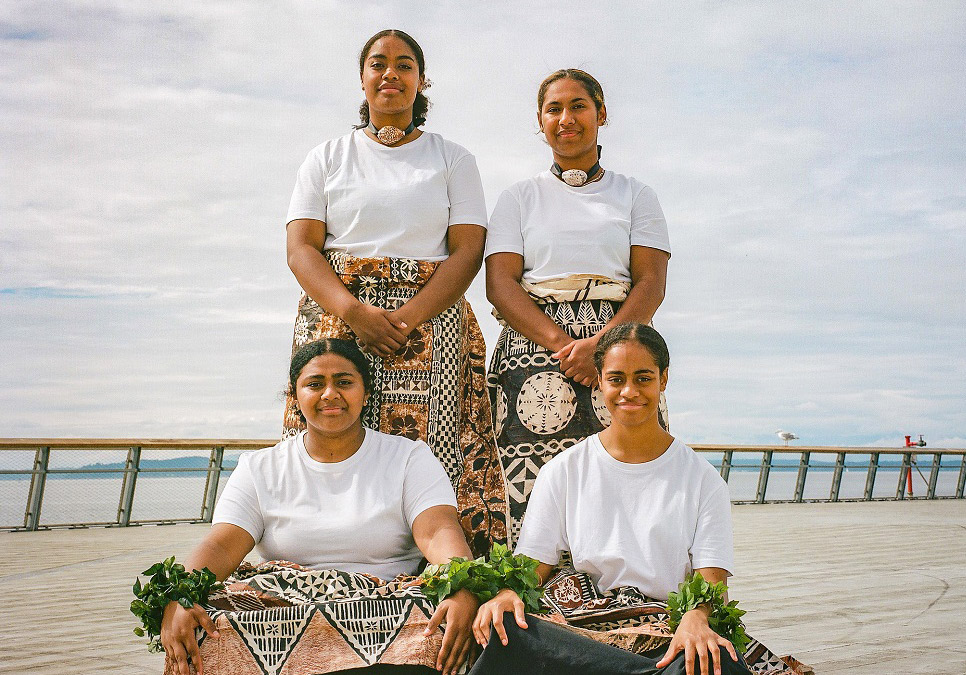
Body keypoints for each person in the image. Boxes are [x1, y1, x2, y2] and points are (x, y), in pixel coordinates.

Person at [283, 29, 506, 556]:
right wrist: (353, 312)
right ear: (362, 79)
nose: (391, 75)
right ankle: (331, 556)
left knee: (436, 447)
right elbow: (301, 249)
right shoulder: (327, 157)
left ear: (421, 80)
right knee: (334, 431)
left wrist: (406, 318)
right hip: (338, 317)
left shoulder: (452, 159)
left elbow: (468, 250)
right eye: (378, 64)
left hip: (433, 319)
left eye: (404, 65)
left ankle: (441, 572)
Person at [160, 339, 479, 675]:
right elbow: (222, 545)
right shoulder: (259, 467)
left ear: (366, 393)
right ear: (295, 397)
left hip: (386, 609)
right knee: (201, 629)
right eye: (314, 384)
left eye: (344, 382)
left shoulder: (408, 457)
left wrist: (463, 587)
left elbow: (437, 531)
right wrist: (180, 595)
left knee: (433, 627)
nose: (330, 394)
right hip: (282, 610)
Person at [469, 324, 759, 675]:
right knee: (509, 630)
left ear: (663, 380)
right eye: (617, 379)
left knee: (718, 660)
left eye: (643, 378)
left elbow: (712, 582)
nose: (629, 391)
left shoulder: (702, 479)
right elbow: (533, 566)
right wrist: (506, 594)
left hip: (665, 632)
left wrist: (696, 618)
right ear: (601, 381)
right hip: (581, 629)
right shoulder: (564, 470)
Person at [484, 69, 671, 540]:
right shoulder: (519, 197)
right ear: (540, 122)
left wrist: (603, 346)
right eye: (553, 109)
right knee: (532, 483)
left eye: (578, 106)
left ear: (601, 113)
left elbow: (651, 282)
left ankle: (627, 594)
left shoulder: (635, 194)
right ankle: (533, 598)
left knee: (625, 470)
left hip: (620, 349)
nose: (566, 119)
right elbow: (500, 284)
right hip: (532, 351)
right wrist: (566, 345)